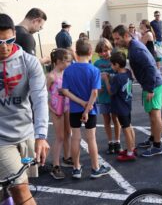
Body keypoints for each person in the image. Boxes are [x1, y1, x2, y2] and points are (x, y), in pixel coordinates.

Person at [0, 13, 49, 205]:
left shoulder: (29, 62)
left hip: (26, 134)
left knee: (16, 187)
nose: (4, 47)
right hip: (2, 140)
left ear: (14, 34)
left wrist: (41, 136)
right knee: (21, 190)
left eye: (8, 40)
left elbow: (39, 98)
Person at [112, 25, 162, 157]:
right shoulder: (133, 46)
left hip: (153, 85)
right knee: (151, 115)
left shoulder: (136, 49)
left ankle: (157, 146)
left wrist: (150, 88)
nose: (115, 42)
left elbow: (151, 68)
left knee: (155, 115)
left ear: (126, 36)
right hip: (149, 84)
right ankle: (152, 139)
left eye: (117, 39)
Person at [62, 39, 111, 179]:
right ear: (90, 53)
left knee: (75, 138)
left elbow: (65, 91)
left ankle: (76, 168)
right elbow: (94, 93)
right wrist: (86, 108)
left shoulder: (68, 70)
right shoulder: (94, 70)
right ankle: (95, 168)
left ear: (76, 53)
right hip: (90, 109)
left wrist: (81, 104)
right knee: (91, 139)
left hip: (74, 109)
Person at [102, 52, 136, 161]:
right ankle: (132, 147)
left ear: (116, 65)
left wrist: (107, 80)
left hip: (120, 106)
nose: (111, 67)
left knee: (126, 129)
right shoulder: (128, 72)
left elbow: (111, 91)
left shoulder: (117, 77)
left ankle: (130, 153)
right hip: (127, 103)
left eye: (112, 64)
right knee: (129, 126)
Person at [47, 49, 73, 180]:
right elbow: (44, 95)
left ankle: (67, 157)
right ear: (58, 61)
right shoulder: (51, 76)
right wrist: (52, 109)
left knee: (68, 133)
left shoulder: (65, 73)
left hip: (67, 106)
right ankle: (55, 166)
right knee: (60, 137)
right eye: (68, 61)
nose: (70, 63)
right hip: (56, 109)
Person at [94, 38, 122, 155]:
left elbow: (119, 75)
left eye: (105, 50)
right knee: (106, 119)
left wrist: (109, 77)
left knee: (115, 119)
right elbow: (94, 79)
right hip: (103, 96)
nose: (103, 53)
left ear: (110, 49)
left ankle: (117, 141)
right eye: (101, 51)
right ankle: (110, 142)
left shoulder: (114, 60)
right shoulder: (96, 64)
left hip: (114, 95)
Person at [150, 10, 162, 77]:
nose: (157, 16)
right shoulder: (152, 23)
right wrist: (154, 40)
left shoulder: (161, 22)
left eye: (158, 15)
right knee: (157, 57)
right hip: (155, 42)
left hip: (161, 41)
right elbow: (151, 31)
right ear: (154, 16)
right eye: (156, 15)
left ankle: (158, 71)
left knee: (159, 57)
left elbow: (160, 31)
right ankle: (157, 72)